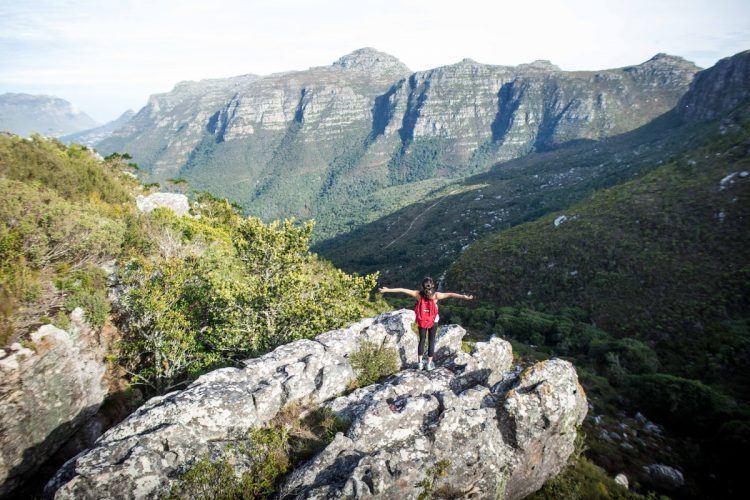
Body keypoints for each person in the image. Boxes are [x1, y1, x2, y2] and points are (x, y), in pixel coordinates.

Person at [378, 277, 474, 371]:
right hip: (433, 321)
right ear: (432, 285)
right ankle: (428, 364)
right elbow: (450, 294)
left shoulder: (418, 294)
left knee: (422, 340)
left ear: (422, 286)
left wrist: (388, 290)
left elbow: (403, 290)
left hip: (422, 320)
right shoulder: (436, 295)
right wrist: (463, 297)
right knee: (431, 340)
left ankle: (420, 364)